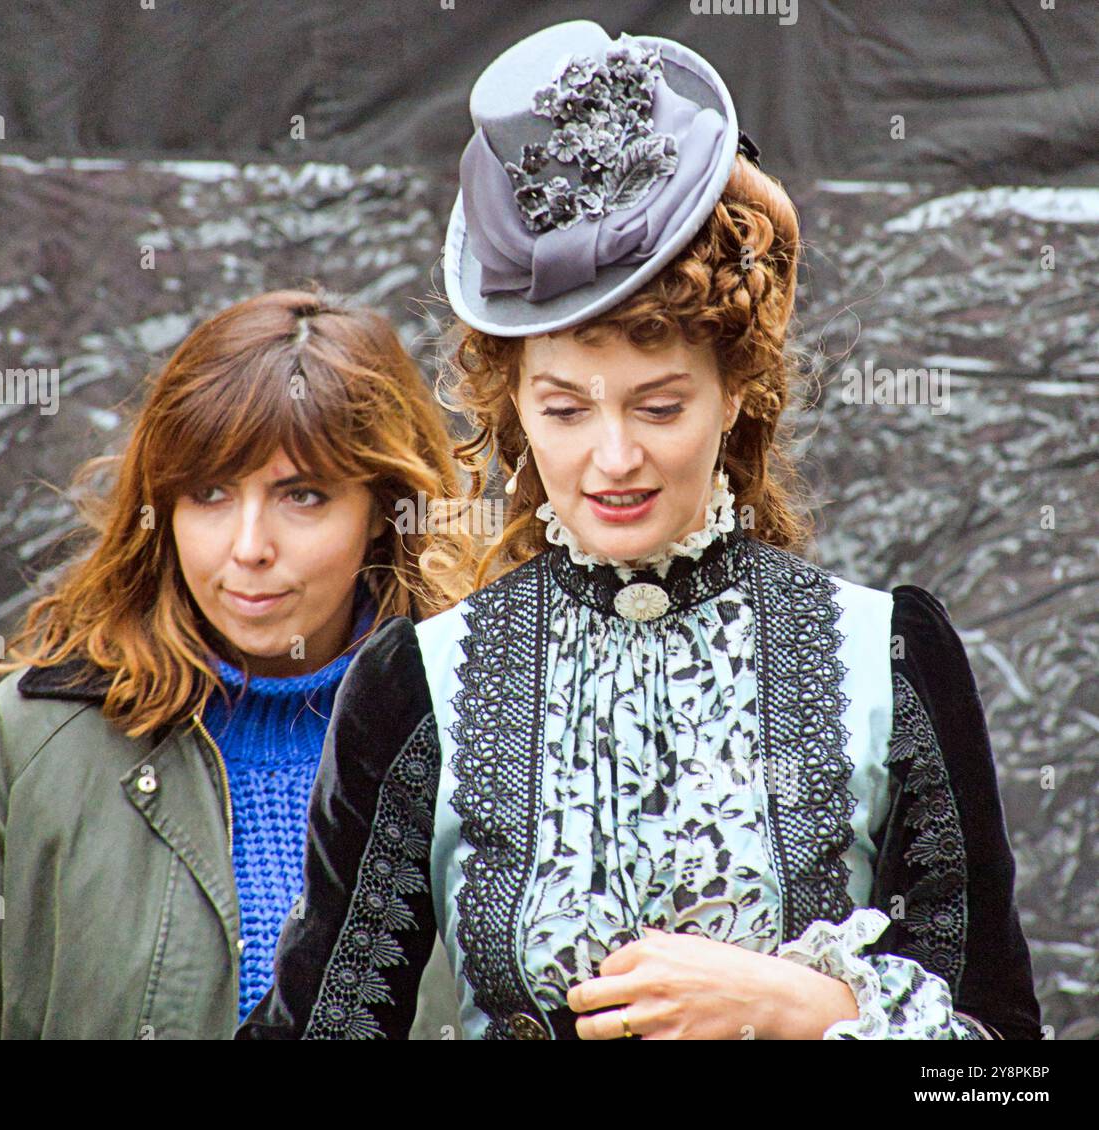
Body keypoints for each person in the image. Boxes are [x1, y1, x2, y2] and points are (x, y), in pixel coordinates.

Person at [235, 22, 1041, 1040]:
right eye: (566, 409)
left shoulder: (888, 658)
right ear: (511, 405)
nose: (611, 458)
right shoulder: (416, 684)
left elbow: (1005, 1054)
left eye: (658, 406)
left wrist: (810, 1008)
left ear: (736, 392)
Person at [0, 287, 468, 1039]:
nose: (249, 546)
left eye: (303, 495)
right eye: (211, 493)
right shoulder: (35, 742)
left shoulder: (486, 734)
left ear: (386, 512)